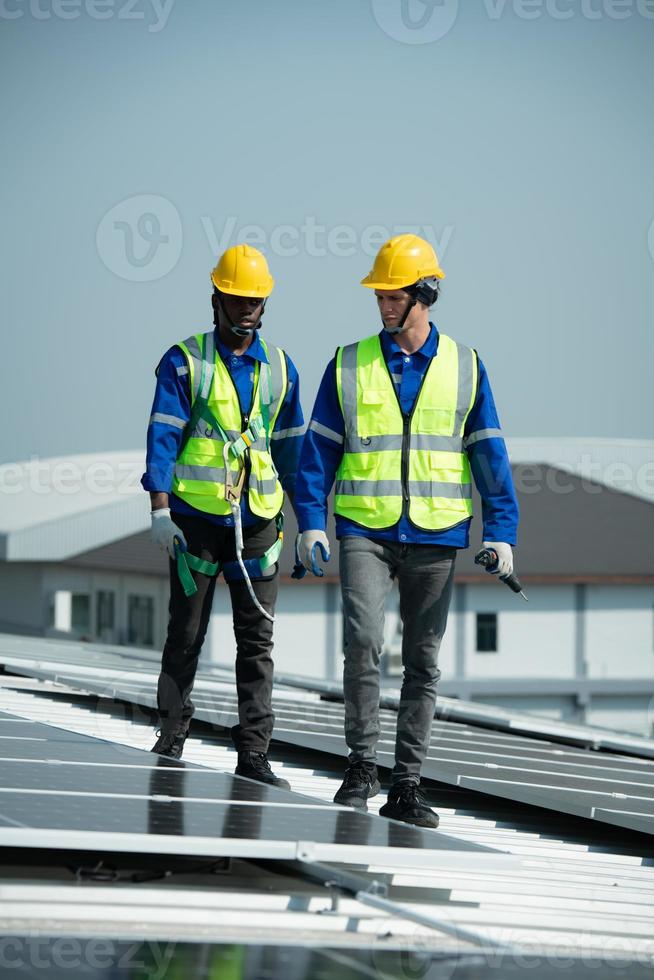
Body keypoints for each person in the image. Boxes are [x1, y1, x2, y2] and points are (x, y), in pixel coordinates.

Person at [294, 234, 519, 826]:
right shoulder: (348, 362)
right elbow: (317, 452)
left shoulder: (466, 366)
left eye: (391, 295)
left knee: (422, 662)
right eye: (379, 296)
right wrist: (311, 524)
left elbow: (488, 453)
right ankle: (361, 765)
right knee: (362, 642)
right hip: (364, 528)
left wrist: (502, 532)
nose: (382, 305)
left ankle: (407, 785)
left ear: (424, 295)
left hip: (437, 534)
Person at [142, 244, 304, 789]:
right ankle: (170, 737)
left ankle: (254, 754)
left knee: (256, 641)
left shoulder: (281, 369)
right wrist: (160, 509)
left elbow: (293, 453)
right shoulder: (184, 360)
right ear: (217, 299)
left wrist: (310, 525)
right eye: (237, 299)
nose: (247, 310)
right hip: (195, 523)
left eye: (255, 300)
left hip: (258, 523)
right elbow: (163, 437)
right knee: (185, 634)